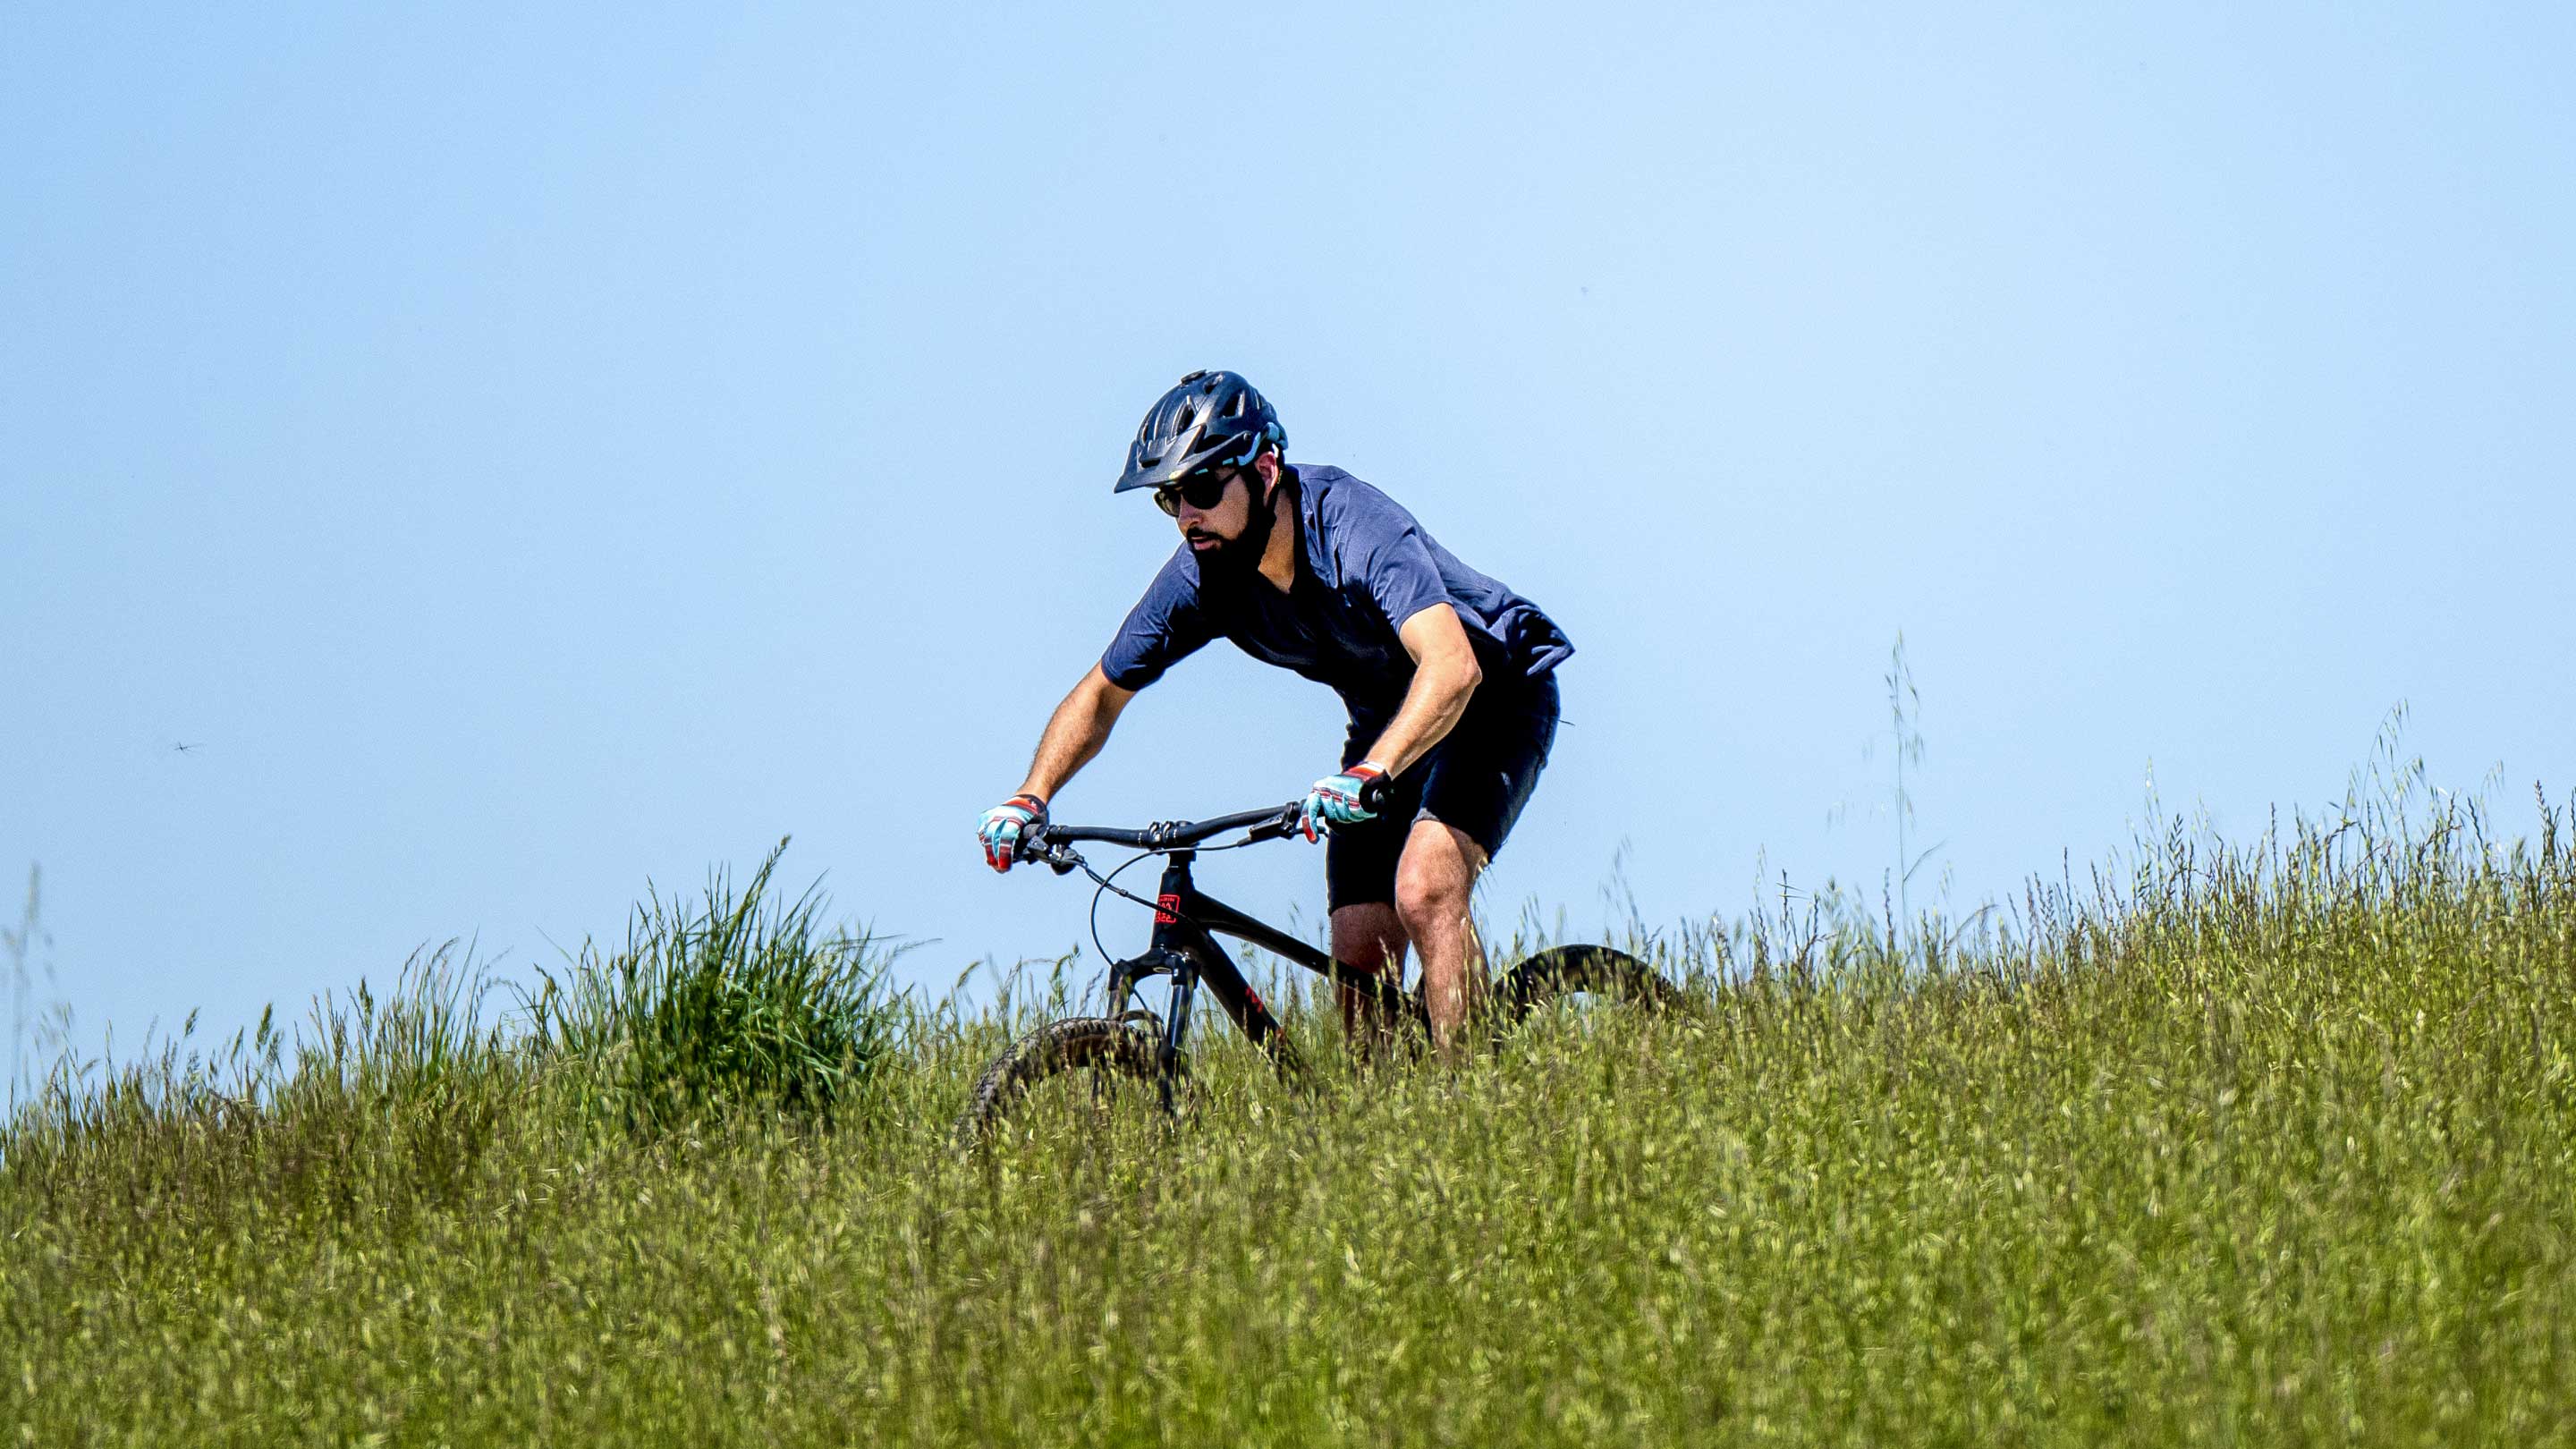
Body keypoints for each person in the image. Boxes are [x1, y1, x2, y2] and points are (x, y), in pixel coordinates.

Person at [975, 369, 1573, 1055]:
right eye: (1169, 499)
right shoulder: (1202, 575)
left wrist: (1371, 769)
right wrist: (1030, 796)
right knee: (1358, 949)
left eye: (1201, 490)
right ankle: (1390, 1135)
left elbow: (1451, 666)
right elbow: (1100, 694)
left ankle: (1478, 1114)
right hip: (1388, 726)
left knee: (1426, 886)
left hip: (1491, 696)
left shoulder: (1354, 528)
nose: (1185, 517)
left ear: (1264, 470)